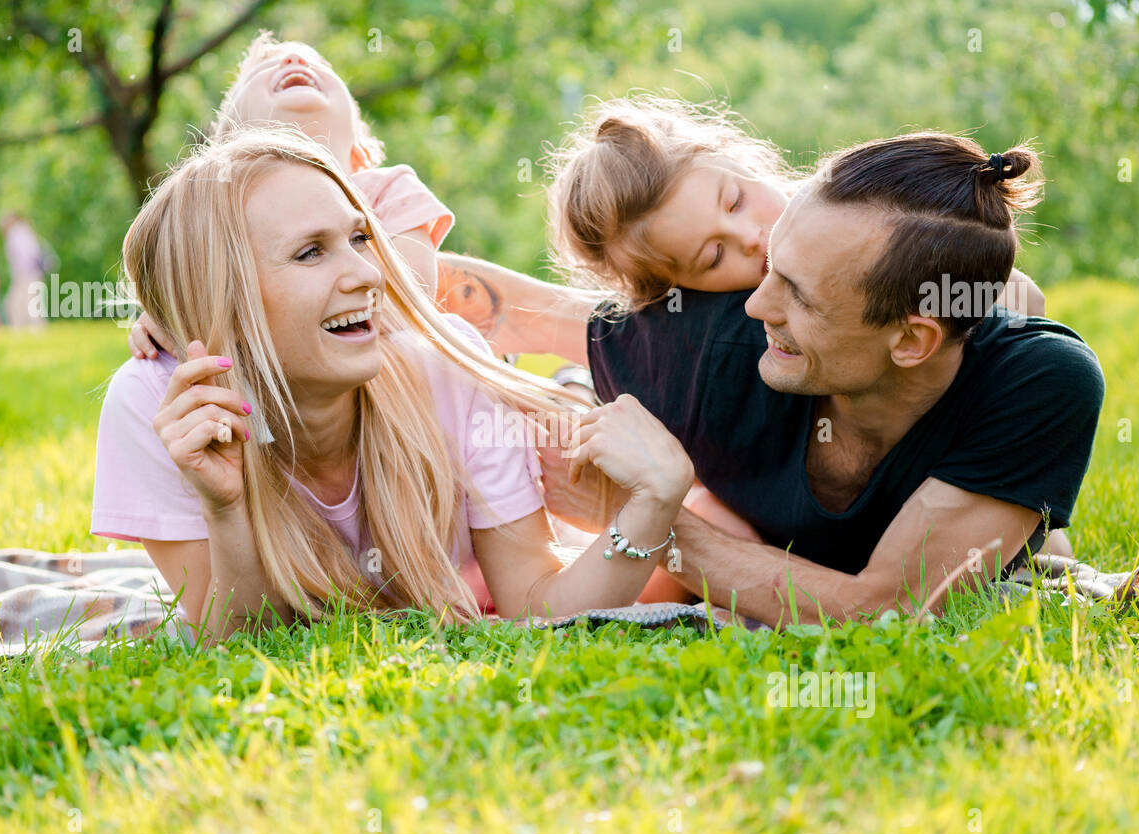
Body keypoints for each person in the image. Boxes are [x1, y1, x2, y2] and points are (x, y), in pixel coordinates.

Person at [440, 131, 1105, 625]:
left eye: (798, 295)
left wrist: (637, 516)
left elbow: (887, 613)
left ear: (912, 339)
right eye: (765, 268)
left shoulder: (1036, 379)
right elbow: (508, 307)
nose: (757, 302)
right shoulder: (713, 333)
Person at [92, 127, 694, 644]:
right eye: (309, 254)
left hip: (505, 452)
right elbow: (243, 644)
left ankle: (569, 384)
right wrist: (225, 508)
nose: (367, 272)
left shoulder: (445, 366)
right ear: (221, 297)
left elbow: (536, 606)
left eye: (359, 238)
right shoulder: (160, 406)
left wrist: (652, 505)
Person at [128, 30, 452, 359]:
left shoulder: (389, 191)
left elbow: (412, 301)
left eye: (320, 65)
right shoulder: (227, 216)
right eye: (260, 71)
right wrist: (173, 316)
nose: (294, 61)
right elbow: (207, 286)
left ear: (361, 151)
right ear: (230, 149)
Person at [0, 212, 48, 331]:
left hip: (26, 274)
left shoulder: (16, 233)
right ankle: (32, 329)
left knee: (18, 303)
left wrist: (23, 271)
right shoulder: (25, 232)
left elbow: (26, 255)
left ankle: (25, 329)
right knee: (31, 303)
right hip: (31, 273)